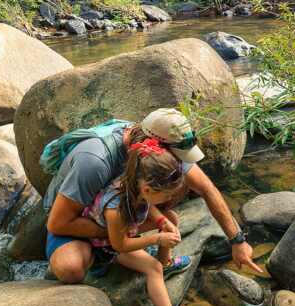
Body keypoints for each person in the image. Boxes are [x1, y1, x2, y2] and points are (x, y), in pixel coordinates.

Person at [45, 108, 262, 283]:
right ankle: (108, 255)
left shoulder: (160, 146)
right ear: (155, 146)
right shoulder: (94, 161)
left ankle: (121, 252)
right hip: (78, 218)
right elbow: (57, 224)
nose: (179, 161)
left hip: (117, 212)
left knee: (178, 186)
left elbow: (206, 189)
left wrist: (238, 241)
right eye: (176, 156)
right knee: (70, 269)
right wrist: (116, 234)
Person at [81, 138, 206, 306]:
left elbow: (149, 206)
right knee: (152, 268)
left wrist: (161, 221)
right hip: (106, 246)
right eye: (167, 194)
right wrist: (157, 238)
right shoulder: (115, 208)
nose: (170, 198)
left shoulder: (137, 183)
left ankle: (166, 263)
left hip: (126, 229)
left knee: (172, 218)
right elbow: (119, 244)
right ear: (148, 190)